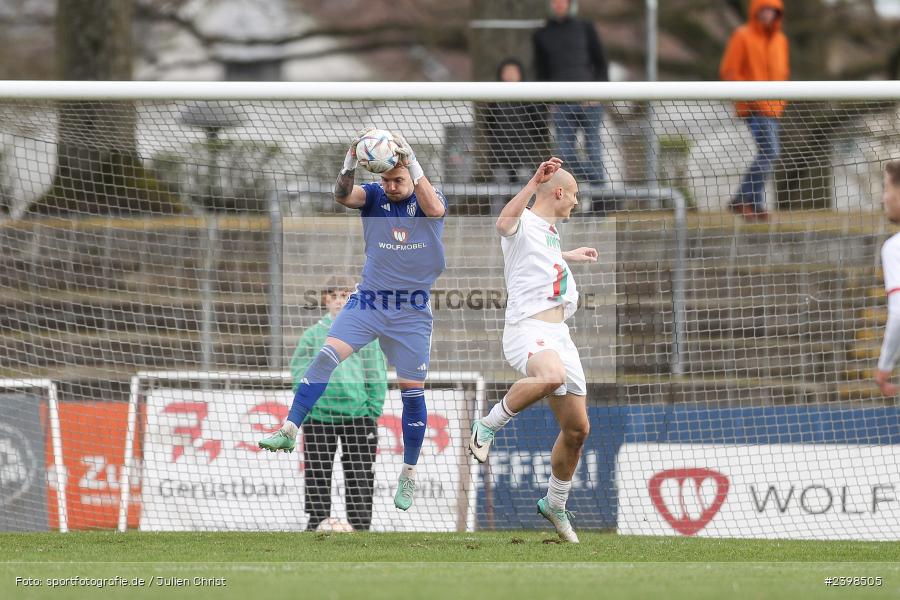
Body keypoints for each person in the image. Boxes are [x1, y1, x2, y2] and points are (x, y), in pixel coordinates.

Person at [260, 128, 447, 513]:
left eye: (398, 180)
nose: (391, 186)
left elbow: (437, 211)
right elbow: (344, 195)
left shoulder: (427, 196)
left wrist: (413, 163)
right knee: (327, 355)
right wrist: (348, 164)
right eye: (386, 180)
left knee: (412, 391)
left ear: (410, 175)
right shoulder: (375, 196)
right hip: (369, 301)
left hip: (411, 309)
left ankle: (409, 472)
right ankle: (290, 428)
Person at [468, 157, 598, 543]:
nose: (576, 201)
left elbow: (540, 256)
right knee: (550, 376)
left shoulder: (549, 231)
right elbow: (505, 224)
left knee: (577, 430)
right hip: (529, 328)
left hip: (560, 335)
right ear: (558, 192)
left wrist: (569, 256)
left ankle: (555, 504)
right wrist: (531, 182)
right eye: (573, 194)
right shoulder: (523, 221)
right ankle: (487, 425)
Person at [291, 275, 387, 531]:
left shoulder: (366, 335)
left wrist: (372, 410)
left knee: (360, 473)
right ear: (326, 299)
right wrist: (307, 404)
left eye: (345, 295)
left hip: (358, 416)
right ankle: (318, 520)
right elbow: (299, 371)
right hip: (320, 416)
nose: (339, 301)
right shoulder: (312, 336)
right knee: (318, 471)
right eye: (334, 295)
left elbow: (376, 373)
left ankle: (359, 524)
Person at [720, 0, 790, 222]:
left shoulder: (781, 40)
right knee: (770, 152)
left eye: (773, 11)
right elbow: (730, 72)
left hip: (774, 108)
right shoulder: (742, 36)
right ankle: (742, 198)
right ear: (756, 11)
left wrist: (780, 100)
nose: (768, 14)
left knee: (766, 154)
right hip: (754, 107)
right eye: (764, 10)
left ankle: (754, 202)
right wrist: (753, 96)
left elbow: (782, 73)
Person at [533, 0, 608, 189]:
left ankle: (600, 202)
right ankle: (587, 190)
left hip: (589, 102)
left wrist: (597, 94)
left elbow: (600, 63)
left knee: (593, 151)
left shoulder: (585, 28)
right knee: (564, 156)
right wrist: (550, 102)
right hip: (562, 105)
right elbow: (541, 73)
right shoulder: (542, 34)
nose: (558, 4)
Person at [484, 58, 549, 187]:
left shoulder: (530, 98)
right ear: (501, 75)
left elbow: (540, 126)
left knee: (524, 191)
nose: (510, 75)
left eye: (513, 72)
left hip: (524, 156)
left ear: (520, 74)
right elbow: (489, 126)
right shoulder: (495, 100)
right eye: (507, 72)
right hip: (500, 156)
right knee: (499, 190)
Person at [875, 161, 900, 397]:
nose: (883, 198)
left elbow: (899, 313)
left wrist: (884, 367)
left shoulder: (894, 248)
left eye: (886, 188)